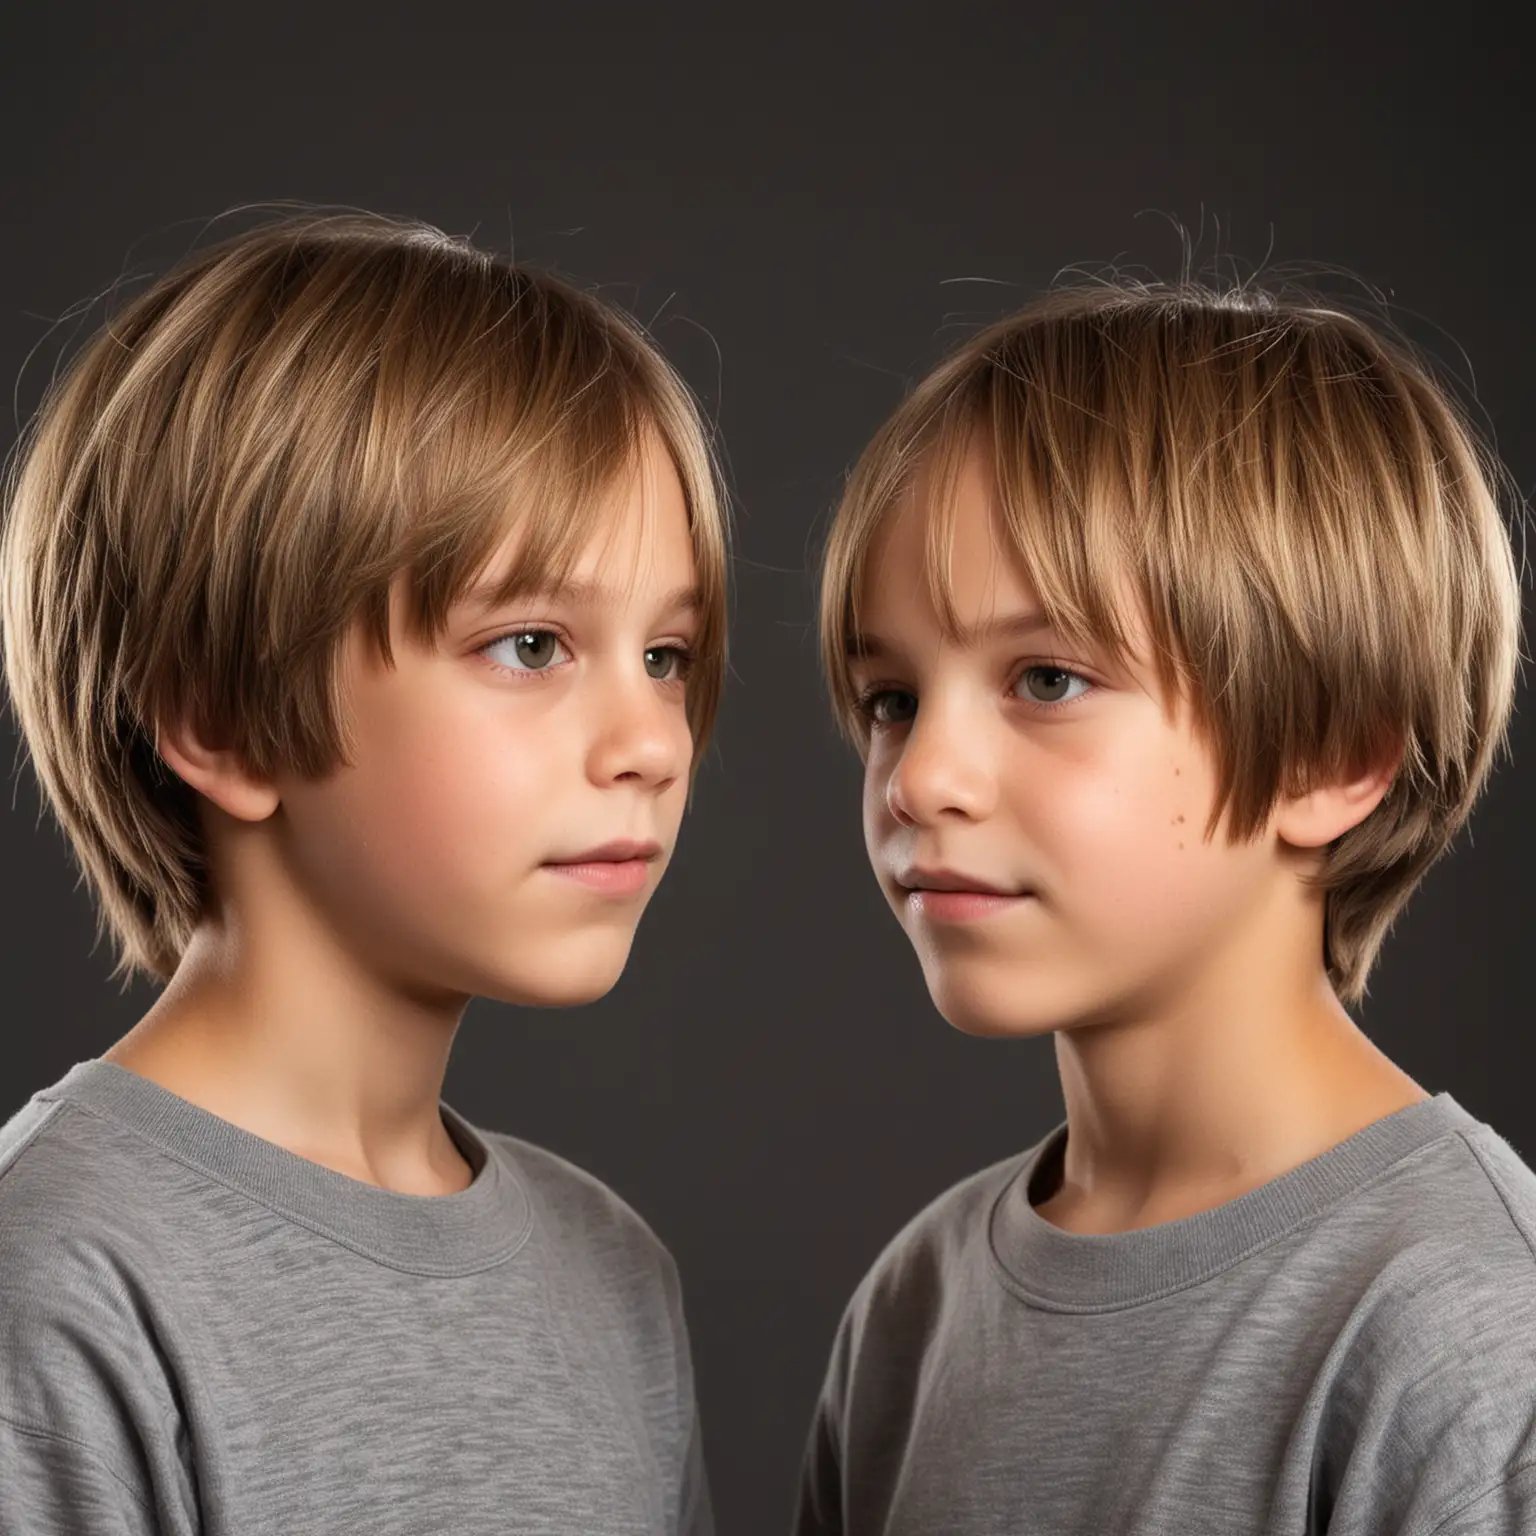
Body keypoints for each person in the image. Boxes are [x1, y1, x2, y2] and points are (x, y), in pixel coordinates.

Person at [0, 208, 726, 1535]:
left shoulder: (613, 1275)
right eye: (531, 645)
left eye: (666, 655)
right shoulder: (59, 1279)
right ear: (216, 718)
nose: (651, 744)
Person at [795, 276, 1532, 1534]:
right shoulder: (918, 1308)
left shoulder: (1463, 1325)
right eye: (891, 698)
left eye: (1046, 678)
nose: (919, 777)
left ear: (1333, 756)